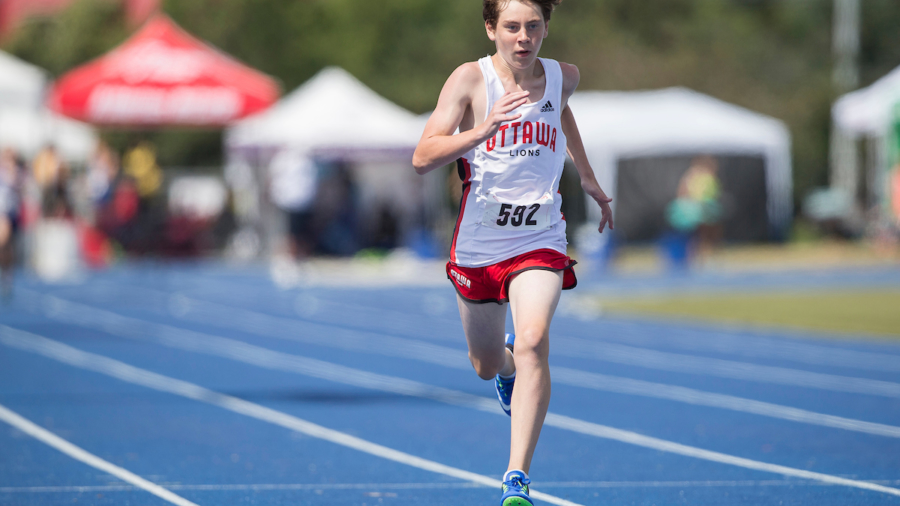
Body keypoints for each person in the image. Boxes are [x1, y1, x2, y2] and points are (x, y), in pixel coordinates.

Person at [412, 1, 613, 504]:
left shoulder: (564, 75)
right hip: (480, 241)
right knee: (486, 362)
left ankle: (516, 477)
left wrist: (585, 175)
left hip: (539, 236)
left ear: (546, 27)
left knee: (533, 340)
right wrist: (480, 130)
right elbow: (421, 157)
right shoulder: (470, 80)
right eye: (511, 27)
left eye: (533, 26)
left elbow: (561, 113)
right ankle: (503, 372)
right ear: (491, 29)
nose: (523, 38)